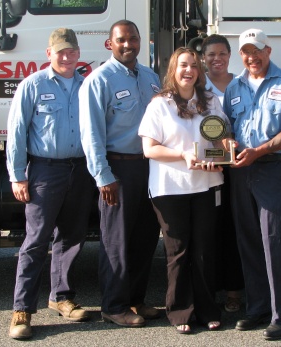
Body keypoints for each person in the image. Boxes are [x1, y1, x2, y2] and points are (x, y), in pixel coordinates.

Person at [6, 28, 95, 340]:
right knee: (35, 241)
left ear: (78, 52)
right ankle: (22, 310)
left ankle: (61, 298)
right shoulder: (33, 85)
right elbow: (16, 132)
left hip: (80, 170)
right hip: (45, 170)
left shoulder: (87, 87)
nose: (67, 57)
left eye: (72, 51)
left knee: (72, 237)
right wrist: (18, 175)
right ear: (49, 54)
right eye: (61, 52)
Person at [222, 28, 281, 341]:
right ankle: (257, 308)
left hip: (271, 168)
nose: (251, 57)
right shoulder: (234, 86)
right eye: (245, 51)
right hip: (240, 171)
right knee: (247, 239)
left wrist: (261, 150)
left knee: (272, 240)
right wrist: (229, 142)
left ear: (268, 50)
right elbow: (227, 126)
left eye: (256, 50)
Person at [139, 47, 228, 334]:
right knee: (177, 251)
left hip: (206, 185)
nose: (188, 70)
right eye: (182, 66)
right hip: (169, 189)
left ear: (199, 71)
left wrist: (224, 155)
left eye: (193, 65)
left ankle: (207, 309)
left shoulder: (211, 101)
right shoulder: (160, 104)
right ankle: (179, 311)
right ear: (173, 71)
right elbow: (149, 148)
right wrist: (183, 156)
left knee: (204, 250)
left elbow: (223, 138)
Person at [78, 20, 161, 328]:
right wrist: (103, 177)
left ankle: (136, 300)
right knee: (117, 241)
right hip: (119, 169)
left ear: (141, 41)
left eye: (134, 39)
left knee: (144, 237)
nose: (129, 45)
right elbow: (91, 135)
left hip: (149, 167)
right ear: (110, 44)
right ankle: (113, 306)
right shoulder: (99, 80)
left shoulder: (151, 77)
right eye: (122, 40)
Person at [201, 34, 244, 313]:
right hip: (206, 168)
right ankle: (206, 293)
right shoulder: (195, 86)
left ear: (230, 56)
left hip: (239, 169)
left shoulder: (243, 83)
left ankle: (234, 292)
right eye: (211, 54)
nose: (217, 59)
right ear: (203, 58)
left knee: (233, 230)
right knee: (207, 232)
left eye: (222, 54)